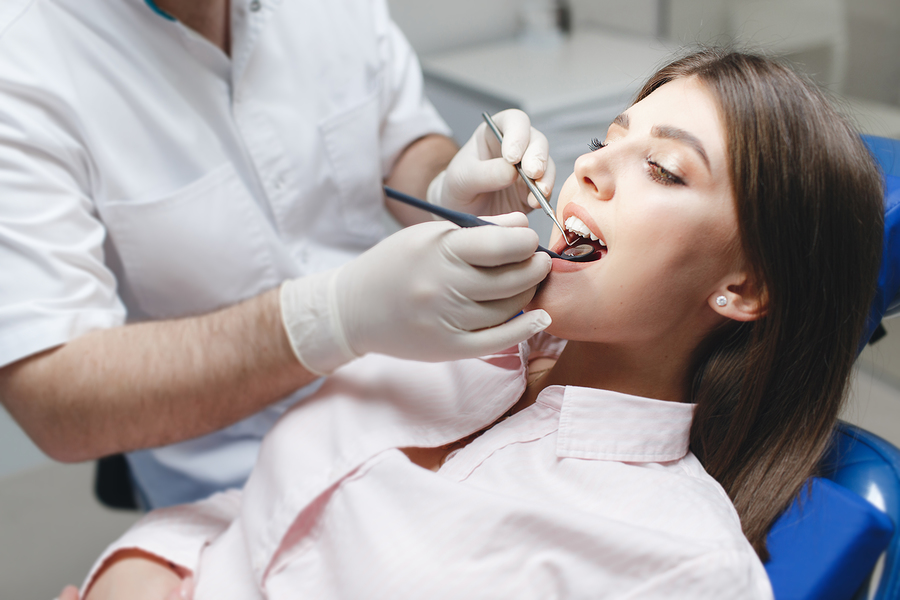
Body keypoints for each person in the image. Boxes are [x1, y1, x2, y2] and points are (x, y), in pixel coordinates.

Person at [72, 48, 884, 599]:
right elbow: (257, 516)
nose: (592, 167)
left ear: (743, 288)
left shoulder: (682, 566)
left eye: (664, 169)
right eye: (608, 138)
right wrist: (143, 563)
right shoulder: (434, 352)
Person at [0, 0, 557, 508]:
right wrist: (329, 318)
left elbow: (400, 137)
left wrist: (447, 186)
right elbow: (55, 397)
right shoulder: (22, 62)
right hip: (234, 488)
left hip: (417, 414)